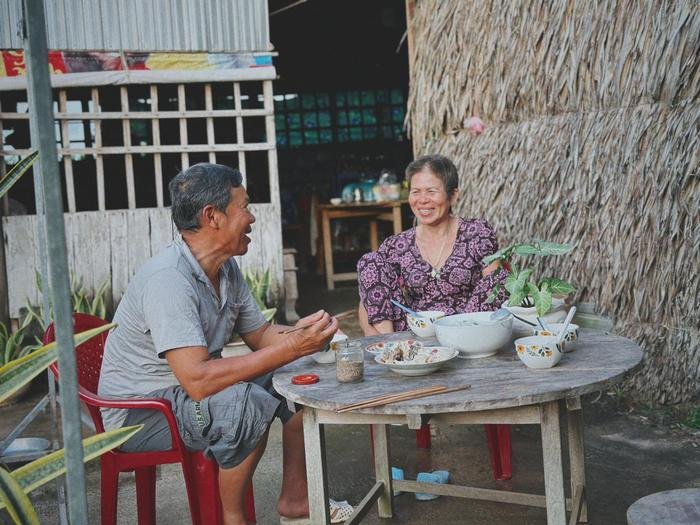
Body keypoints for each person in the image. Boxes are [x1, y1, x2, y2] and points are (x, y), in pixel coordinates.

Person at [98, 163, 339, 525]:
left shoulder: (224, 267)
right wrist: (292, 347)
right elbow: (198, 380)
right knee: (244, 405)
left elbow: (260, 336)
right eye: (244, 206)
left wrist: (308, 337)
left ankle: (296, 498)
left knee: (299, 380)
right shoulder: (169, 281)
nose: (252, 217)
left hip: (186, 391)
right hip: (143, 412)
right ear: (212, 216)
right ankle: (231, 517)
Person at [357, 154, 507, 335]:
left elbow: (494, 288)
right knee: (370, 262)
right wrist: (375, 340)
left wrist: (468, 330)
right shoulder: (396, 245)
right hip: (416, 332)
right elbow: (370, 297)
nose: (422, 200)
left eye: (431, 191)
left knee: (499, 277)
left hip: (469, 328)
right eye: (415, 191)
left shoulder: (477, 232)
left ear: (453, 196)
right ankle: (391, 344)